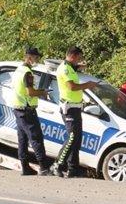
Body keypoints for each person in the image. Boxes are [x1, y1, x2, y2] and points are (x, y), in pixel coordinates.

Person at [54, 46, 98, 178]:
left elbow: (75, 68)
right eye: (78, 58)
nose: (79, 61)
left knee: (77, 139)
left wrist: (81, 66)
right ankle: (58, 165)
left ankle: (73, 168)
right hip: (69, 108)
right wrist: (88, 85)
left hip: (76, 107)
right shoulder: (65, 68)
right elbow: (71, 87)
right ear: (72, 56)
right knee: (72, 137)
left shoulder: (70, 67)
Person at [11, 46, 52, 176]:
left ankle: (25, 167)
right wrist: (43, 93)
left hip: (18, 109)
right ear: (29, 57)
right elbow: (30, 92)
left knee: (22, 139)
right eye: (36, 57)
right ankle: (44, 167)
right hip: (27, 110)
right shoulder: (27, 73)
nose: (37, 59)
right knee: (36, 138)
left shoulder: (18, 70)